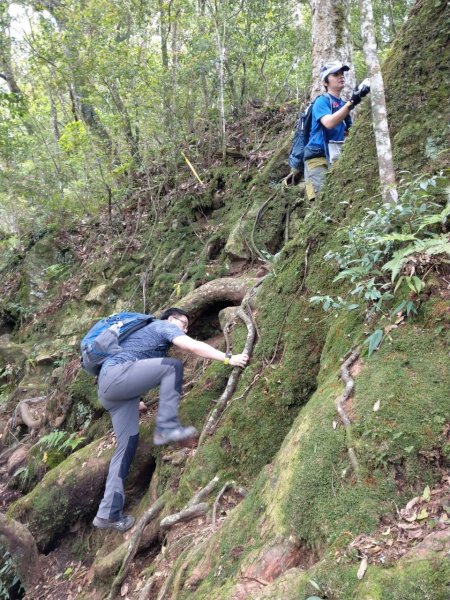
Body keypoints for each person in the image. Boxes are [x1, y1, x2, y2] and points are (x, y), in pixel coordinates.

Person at [92, 307, 249, 532]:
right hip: (117, 377)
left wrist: (135, 399)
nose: (185, 328)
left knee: (125, 448)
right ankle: (166, 426)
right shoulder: (161, 325)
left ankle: (107, 513)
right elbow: (192, 346)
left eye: (187, 326)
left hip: (111, 390)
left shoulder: (145, 337)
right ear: (170, 319)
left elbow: (133, 361)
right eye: (183, 324)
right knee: (172, 367)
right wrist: (228, 358)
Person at [304, 60, 370, 200]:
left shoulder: (342, 103)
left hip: (335, 157)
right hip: (317, 157)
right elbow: (328, 123)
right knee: (321, 201)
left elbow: (349, 132)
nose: (341, 76)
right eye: (335, 74)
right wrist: (352, 102)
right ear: (325, 82)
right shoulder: (321, 101)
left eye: (342, 73)